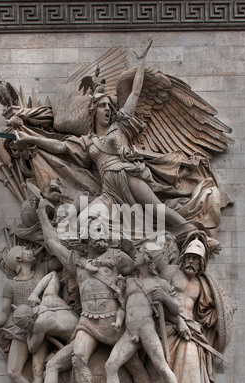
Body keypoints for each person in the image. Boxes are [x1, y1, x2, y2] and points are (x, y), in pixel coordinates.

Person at [15, 39, 201, 243]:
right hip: (108, 192)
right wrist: (30, 137)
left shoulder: (120, 127)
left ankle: (192, 232)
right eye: (103, 106)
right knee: (83, 221)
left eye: (109, 107)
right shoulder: (88, 141)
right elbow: (60, 146)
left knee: (157, 209)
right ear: (94, 111)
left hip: (128, 177)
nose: (107, 110)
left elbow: (136, 93)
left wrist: (141, 63)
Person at [28, 199, 162, 383]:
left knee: (134, 364)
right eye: (96, 229)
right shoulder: (75, 262)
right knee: (77, 356)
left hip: (115, 322)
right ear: (85, 235)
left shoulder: (117, 258)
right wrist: (42, 212)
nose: (102, 234)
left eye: (104, 229)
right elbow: (53, 243)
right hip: (88, 322)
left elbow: (143, 269)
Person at [94, 243, 189, 383]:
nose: (135, 255)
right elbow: (123, 307)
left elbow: (176, 309)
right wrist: (118, 320)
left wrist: (165, 297)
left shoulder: (160, 283)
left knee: (161, 366)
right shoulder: (129, 281)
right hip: (130, 333)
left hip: (147, 330)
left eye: (139, 252)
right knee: (111, 365)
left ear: (147, 258)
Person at [150, 234, 229, 383]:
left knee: (191, 360)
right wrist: (177, 321)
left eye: (196, 259)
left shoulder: (201, 284)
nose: (192, 262)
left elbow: (205, 313)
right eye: (190, 257)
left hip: (191, 331)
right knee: (164, 365)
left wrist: (223, 313)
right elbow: (155, 297)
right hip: (167, 325)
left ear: (202, 264)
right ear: (184, 256)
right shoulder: (170, 272)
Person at [0, 245, 62, 383]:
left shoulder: (41, 269)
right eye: (25, 249)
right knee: (13, 372)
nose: (31, 251)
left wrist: (48, 243)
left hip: (43, 325)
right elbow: (4, 313)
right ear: (19, 259)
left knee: (38, 368)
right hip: (22, 330)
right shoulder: (10, 285)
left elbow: (60, 260)